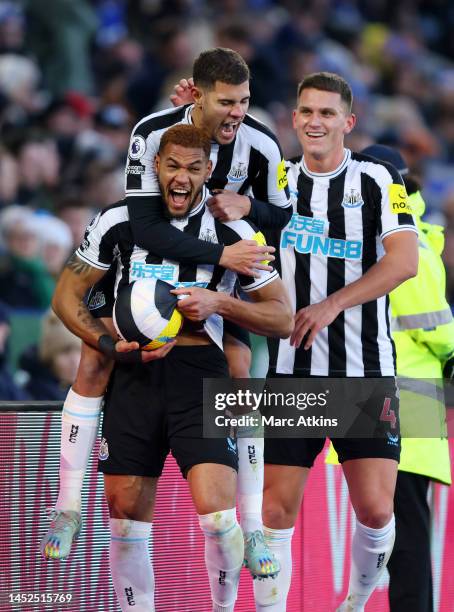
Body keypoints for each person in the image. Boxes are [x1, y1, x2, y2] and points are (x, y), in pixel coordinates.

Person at [41, 47, 291, 578]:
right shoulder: (148, 148)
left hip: (217, 293)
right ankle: (66, 507)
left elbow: (284, 217)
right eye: (226, 102)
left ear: (210, 171)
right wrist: (110, 341)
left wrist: (244, 219)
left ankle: (251, 526)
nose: (237, 113)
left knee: (242, 374)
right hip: (147, 291)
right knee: (92, 358)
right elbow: (146, 227)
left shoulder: (258, 152)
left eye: (244, 102)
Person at [254, 73, 419, 612]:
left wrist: (332, 304)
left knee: (374, 510)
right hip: (291, 370)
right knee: (275, 512)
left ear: (348, 122)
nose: (315, 121)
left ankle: (355, 600)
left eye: (327, 113)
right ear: (295, 118)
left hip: (364, 371)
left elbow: (404, 262)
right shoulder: (274, 181)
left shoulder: (379, 179)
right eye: (306, 111)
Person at [360, 144, 454, 612]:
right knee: (407, 532)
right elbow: (434, 327)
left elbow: (426, 321)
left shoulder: (390, 238)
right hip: (406, 402)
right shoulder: (407, 238)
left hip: (394, 400)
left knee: (405, 532)